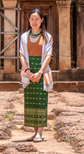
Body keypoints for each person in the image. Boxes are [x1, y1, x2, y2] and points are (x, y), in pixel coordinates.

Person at [19, 8, 53, 143]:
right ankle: (34, 132)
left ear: (42, 20)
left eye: (37, 19)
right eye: (32, 19)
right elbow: (21, 54)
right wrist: (27, 71)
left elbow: (48, 56)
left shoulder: (47, 37)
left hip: (41, 71)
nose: (34, 22)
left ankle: (40, 132)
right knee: (30, 102)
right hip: (28, 70)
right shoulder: (23, 36)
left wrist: (39, 72)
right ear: (28, 21)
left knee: (41, 102)